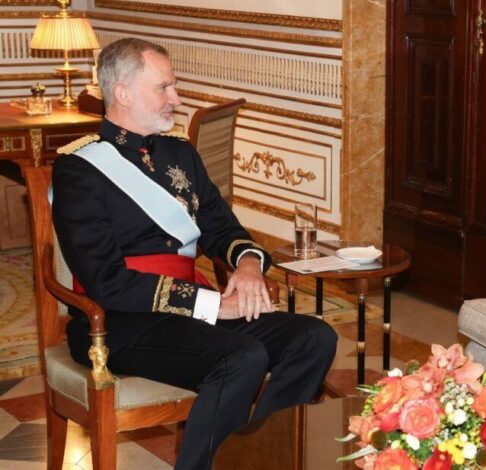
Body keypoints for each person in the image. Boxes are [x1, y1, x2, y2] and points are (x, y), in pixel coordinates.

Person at [51, 37, 338, 469]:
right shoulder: (79, 169)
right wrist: (212, 305)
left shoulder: (180, 153)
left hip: (189, 305)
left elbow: (223, 228)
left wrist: (247, 266)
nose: (177, 98)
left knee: (313, 338)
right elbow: (106, 282)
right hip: (119, 322)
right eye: (164, 87)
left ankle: (258, 458)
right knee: (241, 357)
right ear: (123, 93)